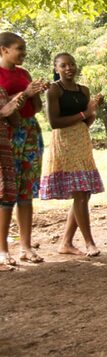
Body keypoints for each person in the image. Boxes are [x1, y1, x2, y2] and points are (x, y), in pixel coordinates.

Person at [39, 53, 104, 256]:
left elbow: (85, 122)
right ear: (56, 68)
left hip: (82, 141)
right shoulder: (53, 90)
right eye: (64, 65)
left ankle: (66, 243)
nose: (69, 68)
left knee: (84, 193)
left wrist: (93, 111)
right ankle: (89, 243)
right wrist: (86, 112)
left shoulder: (83, 90)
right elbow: (55, 122)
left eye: (72, 64)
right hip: (65, 142)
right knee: (80, 192)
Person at [0, 32, 49, 264]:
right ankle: (3, 250)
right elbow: (4, 107)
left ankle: (26, 247)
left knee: (26, 190)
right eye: (19, 48)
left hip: (30, 130)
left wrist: (37, 93)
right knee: (7, 190)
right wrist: (25, 93)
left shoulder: (24, 73)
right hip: (7, 135)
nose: (23, 53)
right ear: (4, 50)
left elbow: (36, 107)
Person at [0, 84, 27, 270]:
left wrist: (14, 106)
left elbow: (15, 122)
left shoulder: (1, 90)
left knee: (5, 197)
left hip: (3, 147)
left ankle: (3, 251)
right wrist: (2, 112)